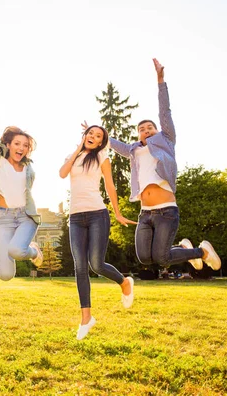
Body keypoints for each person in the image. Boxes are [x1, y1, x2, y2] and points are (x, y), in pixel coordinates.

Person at [107, 58, 221, 273]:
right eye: (142, 129)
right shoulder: (133, 150)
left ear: (157, 130)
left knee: (162, 257)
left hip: (167, 211)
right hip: (145, 213)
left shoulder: (166, 140)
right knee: (145, 258)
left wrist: (161, 81)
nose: (146, 130)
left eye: (150, 127)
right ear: (138, 134)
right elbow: (112, 143)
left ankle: (200, 251)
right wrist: (96, 132)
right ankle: (184, 248)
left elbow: (164, 111)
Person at [59, 123, 138, 340]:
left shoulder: (102, 156)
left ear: (102, 141)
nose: (93, 137)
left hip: (97, 214)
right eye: (91, 133)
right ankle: (86, 318)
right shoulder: (73, 156)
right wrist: (77, 149)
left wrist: (118, 213)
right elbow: (62, 173)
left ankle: (124, 282)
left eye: (98, 135)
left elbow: (110, 186)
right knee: (80, 267)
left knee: (96, 264)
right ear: (84, 135)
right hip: (75, 217)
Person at [0, 87, 43, 281]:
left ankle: (32, 251)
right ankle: (26, 250)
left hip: (25, 216)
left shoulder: (28, 168)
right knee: (5, 275)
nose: (21, 148)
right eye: (17, 143)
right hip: (3, 218)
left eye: (25, 145)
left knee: (16, 250)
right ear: (8, 145)